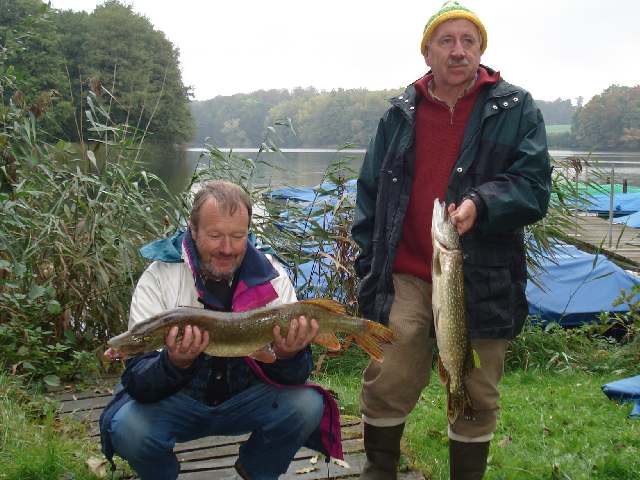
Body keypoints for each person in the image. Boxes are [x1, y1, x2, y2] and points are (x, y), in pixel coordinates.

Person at [351, 2, 552, 479]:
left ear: (481, 50)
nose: (458, 50)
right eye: (446, 41)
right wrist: (369, 268)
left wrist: (482, 204)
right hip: (404, 272)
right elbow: (370, 195)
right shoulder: (398, 115)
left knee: (475, 389)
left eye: (468, 41)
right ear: (427, 53)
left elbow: (534, 188)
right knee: (389, 374)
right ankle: (379, 470)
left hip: (482, 276)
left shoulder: (516, 108)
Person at [99, 180, 342, 480]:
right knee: (128, 428)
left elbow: (295, 376)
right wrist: (174, 363)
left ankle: (257, 471)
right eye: (215, 236)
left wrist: (288, 355)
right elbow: (137, 382)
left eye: (238, 236)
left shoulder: (273, 276)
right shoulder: (160, 277)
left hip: (246, 400)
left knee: (307, 405)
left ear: (248, 232)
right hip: (178, 402)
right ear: (193, 229)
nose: (227, 248)